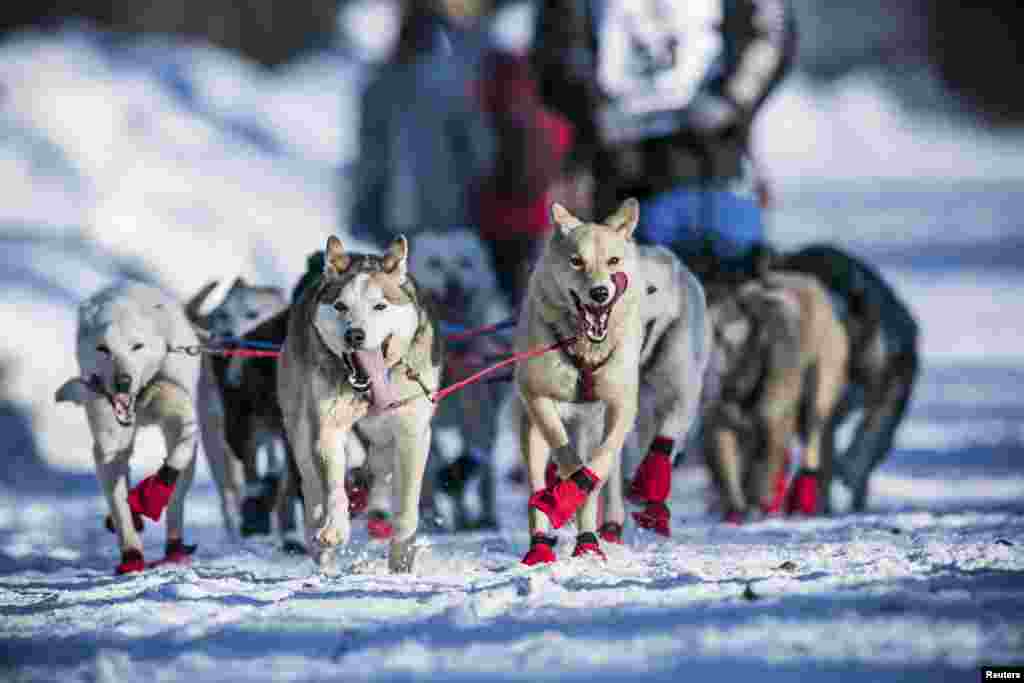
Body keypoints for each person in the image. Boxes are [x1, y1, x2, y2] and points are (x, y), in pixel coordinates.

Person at [531, 0, 795, 275]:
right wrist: (593, 113)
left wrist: (731, 101)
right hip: (621, 179)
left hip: (718, 169)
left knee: (736, 290)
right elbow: (553, 54)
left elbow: (771, 34)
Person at [771, 244, 920, 513]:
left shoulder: (883, 338)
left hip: (881, 348)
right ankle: (829, 486)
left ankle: (848, 477)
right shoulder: (803, 282)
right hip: (858, 343)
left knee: (856, 424)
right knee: (822, 418)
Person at [348, 0, 495, 247]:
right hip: (451, 215)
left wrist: (360, 209)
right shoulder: (453, 82)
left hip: (396, 213)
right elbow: (480, 150)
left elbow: (369, 159)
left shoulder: (380, 83)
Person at [473, 48, 575, 306]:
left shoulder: (484, 123)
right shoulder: (556, 125)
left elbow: (476, 171)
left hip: (494, 224)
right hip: (538, 223)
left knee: (501, 300)